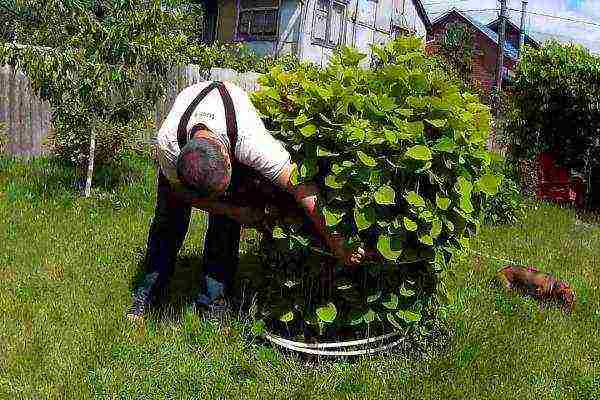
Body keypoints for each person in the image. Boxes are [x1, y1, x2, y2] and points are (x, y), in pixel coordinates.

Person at [127, 80, 364, 322]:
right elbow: (181, 193)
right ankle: (147, 294)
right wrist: (232, 210)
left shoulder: (250, 140)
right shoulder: (169, 145)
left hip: (229, 121)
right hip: (185, 152)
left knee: (224, 229)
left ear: (229, 159)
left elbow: (301, 186)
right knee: (168, 224)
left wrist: (335, 240)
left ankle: (213, 303)